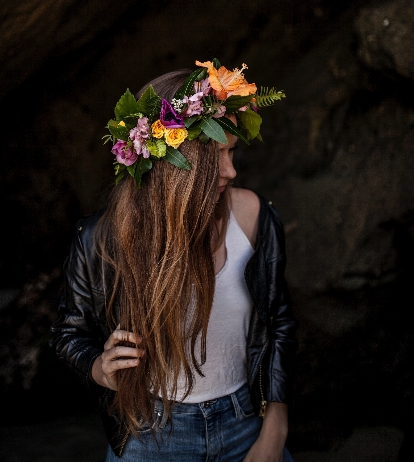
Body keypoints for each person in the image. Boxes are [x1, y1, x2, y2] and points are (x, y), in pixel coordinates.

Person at [51, 59, 297, 462]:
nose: (232, 171)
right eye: (216, 157)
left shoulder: (254, 217)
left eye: (232, 153)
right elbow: (66, 332)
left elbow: (280, 323)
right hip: (151, 435)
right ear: (175, 165)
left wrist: (275, 428)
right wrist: (99, 367)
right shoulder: (103, 238)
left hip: (245, 424)